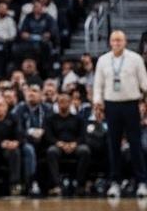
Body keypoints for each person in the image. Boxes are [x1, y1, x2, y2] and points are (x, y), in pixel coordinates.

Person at [93, 29, 147, 198]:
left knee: (135, 144)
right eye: (114, 40)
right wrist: (97, 103)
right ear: (110, 42)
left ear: (125, 42)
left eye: (120, 40)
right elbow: (98, 84)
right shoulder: (103, 60)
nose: (116, 43)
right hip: (111, 105)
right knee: (113, 145)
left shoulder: (135, 59)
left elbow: (144, 82)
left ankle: (142, 183)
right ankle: (115, 182)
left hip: (131, 104)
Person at [45, 93, 90, 195]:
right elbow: (48, 136)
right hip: (58, 146)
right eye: (61, 102)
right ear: (57, 104)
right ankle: (57, 185)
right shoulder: (50, 119)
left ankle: (80, 184)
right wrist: (59, 143)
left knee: (85, 150)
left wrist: (75, 144)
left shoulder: (78, 119)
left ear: (70, 103)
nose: (63, 104)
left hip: (75, 146)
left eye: (66, 102)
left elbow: (83, 135)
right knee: (51, 151)